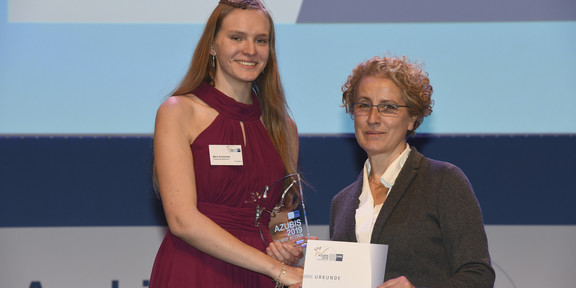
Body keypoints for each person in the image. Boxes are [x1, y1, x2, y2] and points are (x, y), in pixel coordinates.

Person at [149, 0, 304, 287]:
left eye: (261, 40)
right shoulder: (178, 112)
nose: (250, 50)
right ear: (212, 46)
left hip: (261, 275)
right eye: (236, 38)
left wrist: (290, 244)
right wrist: (276, 268)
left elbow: (284, 216)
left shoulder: (285, 128)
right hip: (195, 270)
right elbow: (182, 220)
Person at [329, 55, 495, 288]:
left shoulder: (444, 181)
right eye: (364, 105)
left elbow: (478, 275)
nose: (373, 119)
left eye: (388, 107)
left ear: (412, 118)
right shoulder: (342, 202)